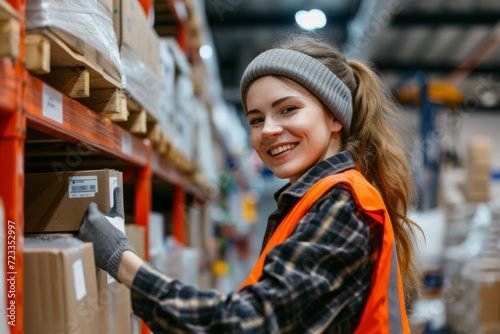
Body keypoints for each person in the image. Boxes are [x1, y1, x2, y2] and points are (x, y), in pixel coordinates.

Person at [79, 35, 422, 333]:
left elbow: (247, 324)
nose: (268, 130)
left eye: (287, 110)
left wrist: (122, 261)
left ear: (334, 116)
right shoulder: (310, 203)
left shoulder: (344, 203)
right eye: (256, 119)